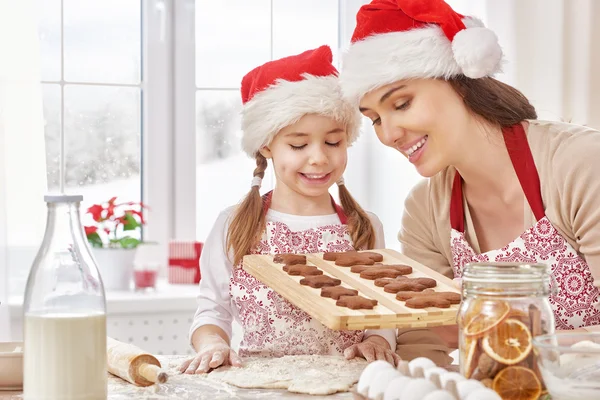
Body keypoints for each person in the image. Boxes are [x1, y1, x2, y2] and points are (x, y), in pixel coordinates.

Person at [339, 0, 600, 335]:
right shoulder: (424, 211)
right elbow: (428, 340)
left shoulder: (580, 165)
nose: (388, 134)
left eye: (401, 104)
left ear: (459, 82)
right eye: (375, 119)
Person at [180, 45, 399, 375]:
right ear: (267, 145)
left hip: (346, 385)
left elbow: (382, 313)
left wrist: (379, 342)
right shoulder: (235, 224)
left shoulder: (363, 227)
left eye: (333, 142)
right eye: (298, 144)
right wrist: (213, 343)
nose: (319, 158)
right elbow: (212, 310)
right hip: (258, 385)